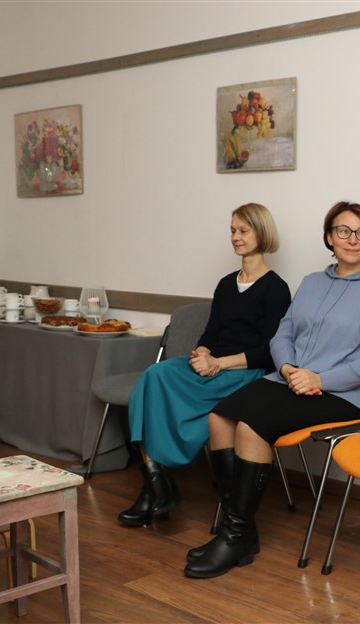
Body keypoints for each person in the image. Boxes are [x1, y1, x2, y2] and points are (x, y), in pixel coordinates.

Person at [183, 200, 360, 579]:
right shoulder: (312, 282)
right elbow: (282, 334)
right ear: (329, 237)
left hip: (342, 394)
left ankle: (234, 535)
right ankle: (240, 531)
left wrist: (320, 379)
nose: (352, 240)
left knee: (251, 426)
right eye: (343, 231)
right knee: (219, 416)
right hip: (290, 380)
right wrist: (287, 368)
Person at [118, 202, 291, 528]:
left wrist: (218, 364)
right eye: (232, 230)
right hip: (212, 364)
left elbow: (269, 352)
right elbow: (210, 333)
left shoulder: (277, 289)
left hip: (244, 371)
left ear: (261, 233)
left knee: (174, 395)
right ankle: (156, 485)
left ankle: (154, 492)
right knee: (154, 376)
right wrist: (200, 354)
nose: (235, 237)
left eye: (243, 230)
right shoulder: (226, 284)